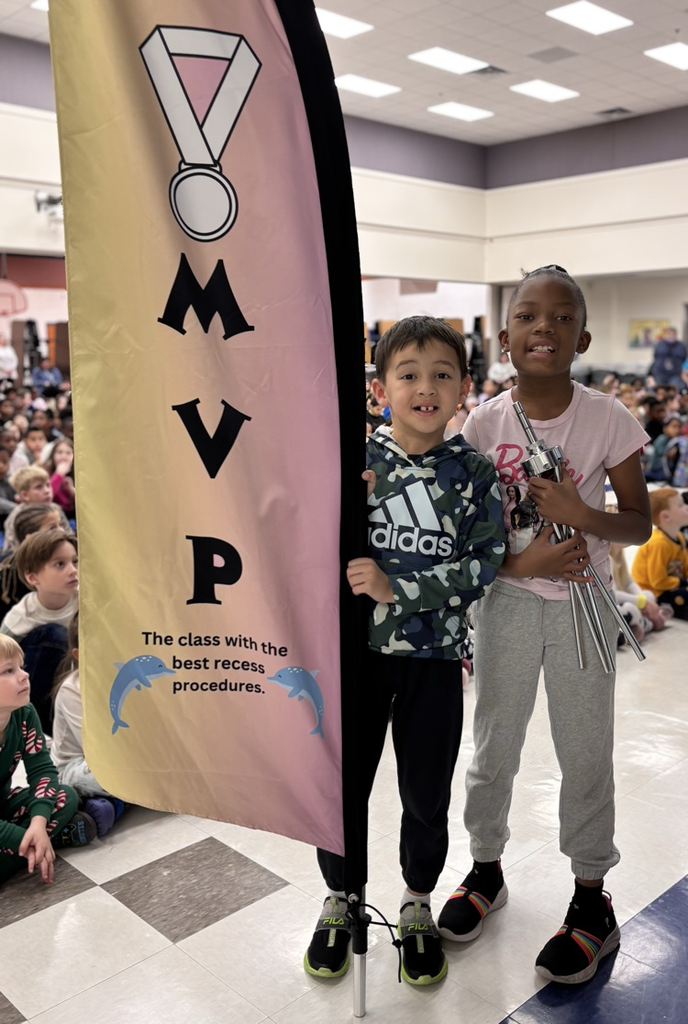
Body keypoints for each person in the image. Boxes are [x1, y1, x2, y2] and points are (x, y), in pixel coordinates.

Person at [437, 265, 652, 985]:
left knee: (584, 751)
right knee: (493, 742)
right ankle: (485, 869)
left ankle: (592, 899)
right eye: (529, 316)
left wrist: (580, 514)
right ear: (504, 338)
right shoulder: (482, 424)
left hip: (585, 606)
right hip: (507, 601)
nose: (545, 329)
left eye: (562, 319)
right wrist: (520, 563)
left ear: (582, 337)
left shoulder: (610, 419)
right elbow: (467, 530)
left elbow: (637, 521)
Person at [304, 316, 506, 986]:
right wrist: (342, 518)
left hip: (434, 662)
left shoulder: (473, 473)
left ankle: (417, 900)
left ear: (464, 388)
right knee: (341, 787)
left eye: (442, 375)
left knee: (426, 792)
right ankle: (341, 898)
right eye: (409, 374)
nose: (426, 387)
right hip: (354, 661)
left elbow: (485, 562)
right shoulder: (353, 460)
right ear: (379, 389)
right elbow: (307, 549)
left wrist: (401, 587)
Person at [0, 633, 96, 887]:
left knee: (66, 796)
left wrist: (39, 823)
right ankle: (34, 849)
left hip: (3, 805)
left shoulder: (24, 713)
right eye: (8, 671)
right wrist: (26, 837)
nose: (24, 675)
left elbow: (42, 770)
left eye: (21, 667)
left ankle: (26, 849)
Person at [51, 612, 125, 838]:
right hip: (76, 764)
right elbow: (94, 746)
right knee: (107, 776)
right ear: (79, 655)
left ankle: (113, 805)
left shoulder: (125, 674)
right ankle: (114, 803)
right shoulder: (72, 689)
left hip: (121, 753)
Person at [0, 529, 78, 732]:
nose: (72, 570)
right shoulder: (21, 616)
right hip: (34, 682)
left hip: (73, 675)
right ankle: (32, 727)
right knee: (54, 634)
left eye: (75, 561)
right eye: (60, 564)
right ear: (33, 578)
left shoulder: (86, 599)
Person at [631, 487, 688, 619]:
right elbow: (658, 582)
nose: (686, 507)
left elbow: (685, 566)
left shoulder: (680, 538)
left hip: (671, 585)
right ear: (665, 516)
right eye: (680, 505)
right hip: (654, 593)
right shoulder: (658, 543)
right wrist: (683, 583)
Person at [2, 466, 70, 553]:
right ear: (25, 495)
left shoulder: (55, 509)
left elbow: (68, 534)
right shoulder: (16, 518)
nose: (47, 491)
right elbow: (13, 551)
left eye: (48, 485)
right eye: (39, 487)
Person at [40, 437, 75, 519]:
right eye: (59, 452)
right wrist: (58, 475)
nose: (63, 456)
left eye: (68, 453)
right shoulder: (44, 472)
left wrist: (72, 490)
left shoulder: (79, 474)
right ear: (53, 455)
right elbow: (46, 494)